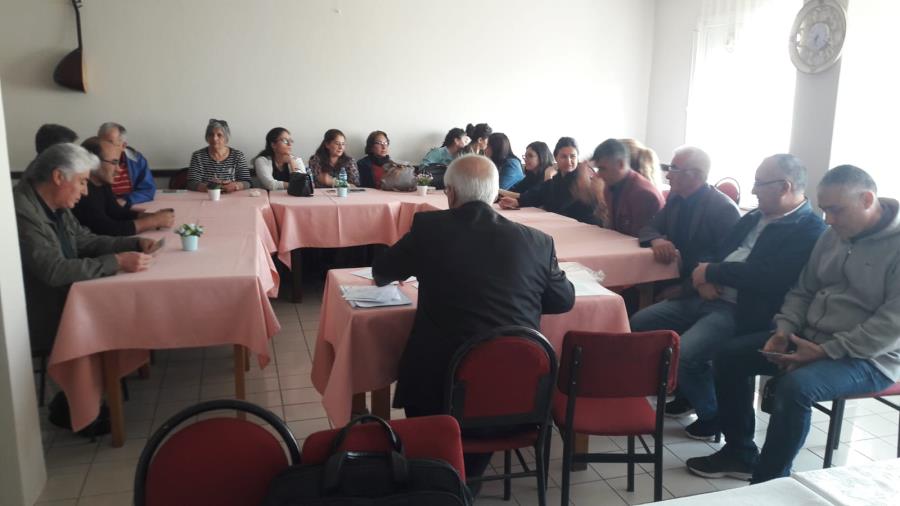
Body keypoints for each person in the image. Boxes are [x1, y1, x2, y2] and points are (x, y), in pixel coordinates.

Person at [686, 164, 900, 483]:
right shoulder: (832, 236)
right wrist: (784, 330)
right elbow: (803, 290)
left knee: (796, 388)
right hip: (808, 338)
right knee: (728, 356)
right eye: (824, 210)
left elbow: (891, 326)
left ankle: (769, 481)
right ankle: (740, 453)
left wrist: (825, 351)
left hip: (871, 357)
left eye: (836, 210)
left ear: (867, 200)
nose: (828, 219)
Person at [372, 154, 575, 480]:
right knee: (476, 435)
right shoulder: (538, 242)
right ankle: (465, 481)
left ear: (450, 193)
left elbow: (382, 272)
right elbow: (564, 299)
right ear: (495, 194)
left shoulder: (429, 229)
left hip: (439, 395)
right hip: (516, 395)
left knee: (431, 378)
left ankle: (448, 481)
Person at [631, 153, 826, 442]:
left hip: (740, 309)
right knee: (640, 322)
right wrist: (702, 277)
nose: (753, 190)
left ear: (784, 187)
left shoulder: (808, 229)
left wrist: (712, 272)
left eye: (759, 183)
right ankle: (688, 393)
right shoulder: (754, 217)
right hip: (707, 294)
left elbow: (768, 276)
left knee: (685, 355)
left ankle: (712, 415)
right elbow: (717, 249)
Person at [14, 143, 159, 435]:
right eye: (81, 182)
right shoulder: (22, 212)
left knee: (122, 306)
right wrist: (115, 261)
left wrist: (131, 243)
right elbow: (54, 270)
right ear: (58, 177)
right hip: (38, 311)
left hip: (67, 296)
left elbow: (84, 240)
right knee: (113, 311)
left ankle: (97, 392)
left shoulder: (55, 205)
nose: (84, 191)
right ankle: (78, 404)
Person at [638, 146, 740, 299]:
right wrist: (657, 240)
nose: (668, 176)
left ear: (696, 175)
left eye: (674, 169)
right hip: (672, 275)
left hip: (702, 289)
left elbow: (724, 262)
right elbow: (649, 228)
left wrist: (684, 289)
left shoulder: (723, 209)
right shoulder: (675, 198)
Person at [73, 137, 175, 236]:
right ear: (93, 163)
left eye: (118, 162)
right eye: (114, 162)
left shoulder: (102, 183)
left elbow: (117, 212)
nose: (119, 169)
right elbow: (107, 229)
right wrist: (153, 221)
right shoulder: (82, 191)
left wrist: (152, 216)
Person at [499, 137, 598, 224]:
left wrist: (548, 177)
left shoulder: (581, 179)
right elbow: (536, 195)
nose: (569, 161)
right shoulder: (557, 178)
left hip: (586, 227)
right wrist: (517, 202)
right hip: (563, 225)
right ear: (556, 157)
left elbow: (556, 206)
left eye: (573, 156)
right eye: (564, 156)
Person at [586, 138, 664, 237]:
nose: (598, 175)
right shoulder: (610, 187)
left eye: (602, 169)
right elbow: (613, 230)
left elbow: (639, 238)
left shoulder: (643, 194)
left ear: (621, 164)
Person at [98, 122, 157, 206]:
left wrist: (125, 200)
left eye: (110, 143)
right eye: (101, 143)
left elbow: (148, 190)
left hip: (129, 207)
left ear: (123, 146)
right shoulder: (93, 160)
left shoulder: (136, 160)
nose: (103, 148)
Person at [187, 119, 252, 192]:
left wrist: (235, 186)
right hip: (206, 196)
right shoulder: (198, 156)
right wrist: (211, 187)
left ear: (226, 138)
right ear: (207, 137)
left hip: (232, 196)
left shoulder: (237, 155)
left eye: (219, 135)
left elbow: (247, 182)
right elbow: (191, 183)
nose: (214, 138)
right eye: (211, 135)